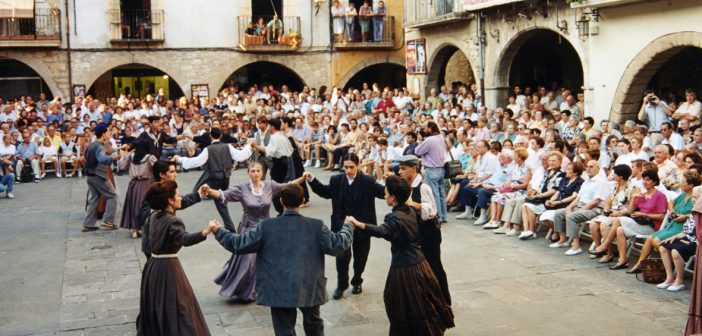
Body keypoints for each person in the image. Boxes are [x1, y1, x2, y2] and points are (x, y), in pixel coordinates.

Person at [209, 184, 353, 336]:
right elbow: (338, 245)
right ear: (303, 200)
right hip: (309, 286)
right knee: (314, 325)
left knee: (284, 330)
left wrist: (218, 231)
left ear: (281, 201)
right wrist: (348, 227)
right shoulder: (316, 225)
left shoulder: (266, 226)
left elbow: (238, 244)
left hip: (279, 288)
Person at [345, 175, 454, 335]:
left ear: (393, 197)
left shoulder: (394, 217)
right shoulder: (410, 210)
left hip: (405, 268)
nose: (384, 195)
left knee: (398, 304)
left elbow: (381, 231)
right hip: (420, 264)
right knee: (422, 303)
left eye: (386, 193)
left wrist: (357, 223)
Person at [202, 162, 306, 301]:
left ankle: (264, 288)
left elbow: (288, 186)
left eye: (258, 171)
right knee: (247, 262)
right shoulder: (242, 188)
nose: (255, 173)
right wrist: (208, 190)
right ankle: (245, 291)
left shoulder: (270, 185)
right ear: (248, 173)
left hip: (267, 229)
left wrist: (303, 178)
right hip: (248, 227)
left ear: (262, 173)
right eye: (252, 171)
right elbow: (223, 195)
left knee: (267, 260)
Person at [136, 181, 212, 335]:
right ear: (170, 200)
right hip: (168, 269)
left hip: (152, 267)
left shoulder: (154, 216)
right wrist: (206, 231)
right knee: (179, 307)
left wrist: (199, 194)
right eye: (177, 195)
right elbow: (185, 239)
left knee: (157, 304)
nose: (180, 198)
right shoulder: (173, 221)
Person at [305, 153, 385, 299]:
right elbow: (325, 192)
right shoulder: (336, 180)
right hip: (341, 224)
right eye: (345, 167)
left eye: (351, 167)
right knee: (341, 257)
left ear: (358, 165)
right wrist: (312, 180)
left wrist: (389, 182)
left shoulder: (368, 180)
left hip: (362, 224)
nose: (348, 170)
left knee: (361, 256)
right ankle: (342, 285)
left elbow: (382, 193)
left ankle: (357, 281)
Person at [395, 155, 451, 304]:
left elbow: (432, 210)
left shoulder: (423, 187)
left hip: (429, 234)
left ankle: (444, 299)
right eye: (400, 168)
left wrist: (414, 204)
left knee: (434, 266)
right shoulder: (407, 185)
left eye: (403, 168)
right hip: (417, 233)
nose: (400, 172)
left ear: (413, 169)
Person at [174, 127, 252, 231]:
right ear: (220, 136)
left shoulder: (208, 149)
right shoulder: (227, 147)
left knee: (210, 198)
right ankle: (230, 227)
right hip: (226, 178)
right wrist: (248, 145)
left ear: (211, 136)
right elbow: (241, 156)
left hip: (214, 179)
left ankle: (180, 203)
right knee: (221, 201)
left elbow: (196, 162)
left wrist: (180, 159)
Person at [592, 169, 668, 270]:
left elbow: (662, 216)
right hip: (639, 222)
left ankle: (605, 245)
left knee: (619, 220)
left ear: (654, 182)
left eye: (648, 180)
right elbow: (630, 210)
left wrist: (644, 214)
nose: (645, 182)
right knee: (619, 230)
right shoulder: (642, 194)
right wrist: (634, 197)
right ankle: (622, 260)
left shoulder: (660, 196)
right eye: (643, 179)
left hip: (651, 226)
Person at [627, 171, 700, 273]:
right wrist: (672, 210)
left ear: (691, 185)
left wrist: (685, 216)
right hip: (673, 224)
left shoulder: (697, 197)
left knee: (656, 241)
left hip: (682, 227)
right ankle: (640, 263)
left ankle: (671, 265)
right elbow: (671, 202)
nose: (680, 183)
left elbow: (697, 214)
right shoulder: (683, 194)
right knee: (650, 238)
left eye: (683, 182)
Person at [140, 160, 204, 259]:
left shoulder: (166, 188)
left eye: (175, 171)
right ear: (162, 174)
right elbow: (142, 216)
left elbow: (179, 201)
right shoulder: (155, 191)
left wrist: (198, 195)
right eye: (172, 172)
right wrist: (155, 214)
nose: (175, 175)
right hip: (154, 245)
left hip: (163, 244)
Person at [82, 123, 122, 232]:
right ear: (103, 134)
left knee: (94, 199)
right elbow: (103, 159)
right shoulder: (99, 146)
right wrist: (117, 156)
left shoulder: (91, 144)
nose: (109, 133)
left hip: (90, 175)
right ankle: (108, 221)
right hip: (98, 175)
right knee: (112, 196)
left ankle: (88, 223)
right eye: (107, 132)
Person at [119, 139, 159, 238]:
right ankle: (146, 228)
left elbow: (121, 166)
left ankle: (135, 230)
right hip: (146, 184)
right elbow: (159, 167)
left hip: (133, 185)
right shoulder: (149, 157)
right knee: (145, 207)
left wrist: (125, 154)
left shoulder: (131, 156)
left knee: (133, 206)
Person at [415, 121, 448, 222]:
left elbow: (417, 151)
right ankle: (444, 215)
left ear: (429, 128)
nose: (423, 130)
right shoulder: (441, 137)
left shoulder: (429, 140)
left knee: (434, 195)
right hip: (441, 169)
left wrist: (420, 140)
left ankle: (438, 216)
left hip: (432, 169)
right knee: (441, 194)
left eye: (424, 128)